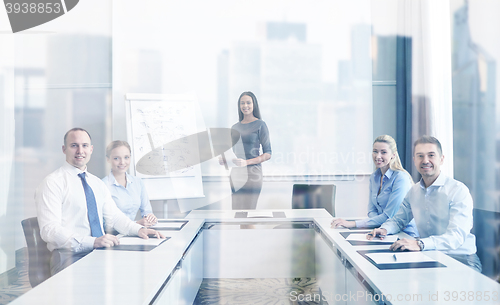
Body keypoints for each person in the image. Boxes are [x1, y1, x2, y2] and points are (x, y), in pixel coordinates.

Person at [35, 128, 164, 275]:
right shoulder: (52, 183)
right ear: (64, 149)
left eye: (84, 145)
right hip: (69, 257)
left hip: (100, 252)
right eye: (74, 145)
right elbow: (49, 230)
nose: (80, 151)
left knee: (139, 270)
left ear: (91, 149)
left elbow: (115, 217)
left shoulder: (96, 183)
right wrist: (93, 242)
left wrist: (139, 230)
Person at [367, 135, 481, 272]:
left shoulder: (458, 190)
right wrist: (385, 229)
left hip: (461, 258)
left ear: (442, 159)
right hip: (429, 255)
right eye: (420, 156)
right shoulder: (414, 191)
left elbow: (456, 236)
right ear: (414, 160)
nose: (425, 160)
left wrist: (420, 244)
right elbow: (398, 220)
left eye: (431, 155)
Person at [331, 135, 418, 237]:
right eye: (375, 151)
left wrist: (352, 224)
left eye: (383, 152)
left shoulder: (400, 178)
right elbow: (372, 211)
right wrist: (377, 225)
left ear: (393, 155)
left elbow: (389, 216)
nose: (378, 156)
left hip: (405, 234)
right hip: (382, 231)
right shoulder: (374, 177)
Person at [228, 91, 272, 210]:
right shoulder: (235, 127)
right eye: (242, 103)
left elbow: (268, 153)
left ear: (254, 105)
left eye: (248, 102)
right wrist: (226, 160)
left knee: (248, 214)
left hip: (253, 174)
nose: (245, 105)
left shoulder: (260, 125)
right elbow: (235, 153)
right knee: (238, 214)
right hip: (236, 174)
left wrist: (246, 162)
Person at [102, 141, 157, 229]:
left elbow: (147, 211)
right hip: (114, 237)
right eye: (116, 158)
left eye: (126, 157)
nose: (122, 162)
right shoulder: (103, 185)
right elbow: (104, 224)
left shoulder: (138, 182)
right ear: (108, 159)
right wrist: (136, 224)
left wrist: (150, 218)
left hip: (136, 233)